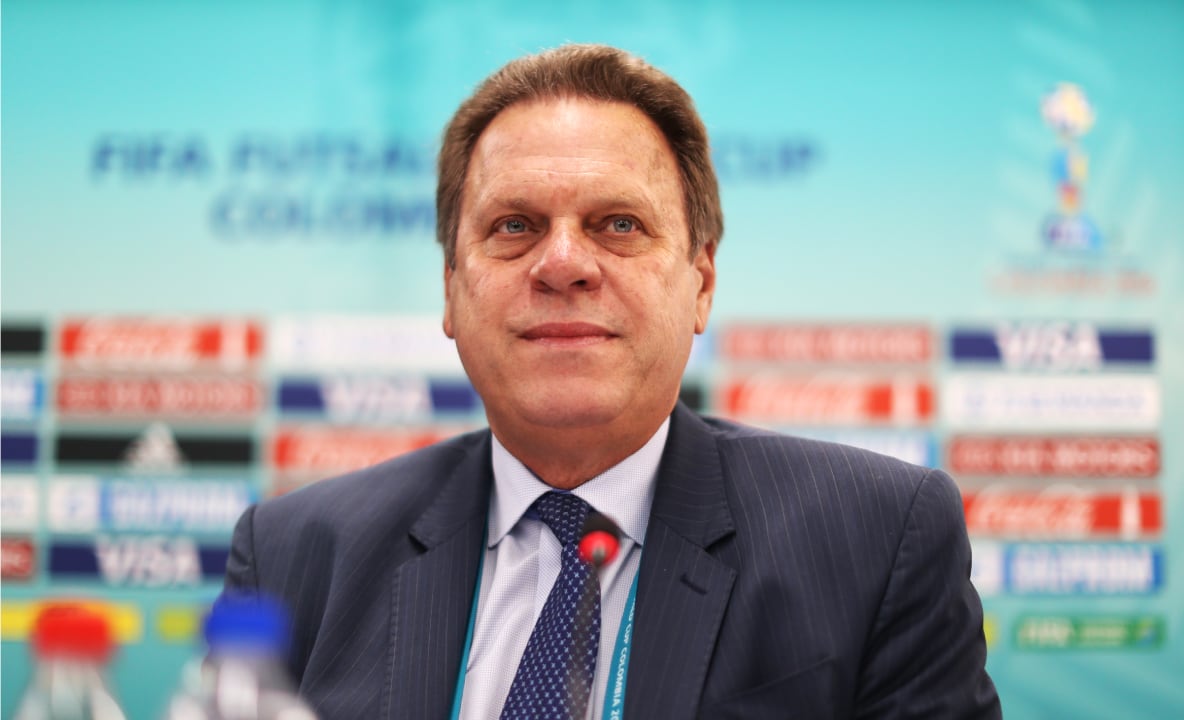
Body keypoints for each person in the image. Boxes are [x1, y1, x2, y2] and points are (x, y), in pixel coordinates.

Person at [223, 44, 1001, 719]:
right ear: (452, 289)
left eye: (618, 225)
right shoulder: (294, 558)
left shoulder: (876, 540)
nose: (563, 264)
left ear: (700, 284)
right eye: (514, 227)